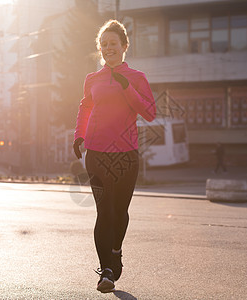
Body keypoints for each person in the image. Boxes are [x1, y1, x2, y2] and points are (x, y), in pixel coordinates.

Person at [72, 19, 156, 293]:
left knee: (120, 213)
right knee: (103, 212)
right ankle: (106, 270)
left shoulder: (137, 78)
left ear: (124, 46)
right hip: (96, 155)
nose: (108, 48)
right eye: (104, 44)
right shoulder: (92, 79)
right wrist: (79, 135)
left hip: (126, 157)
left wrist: (126, 88)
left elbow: (150, 112)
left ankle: (116, 250)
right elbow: (85, 107)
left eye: (113, 43)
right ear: (100, 48)